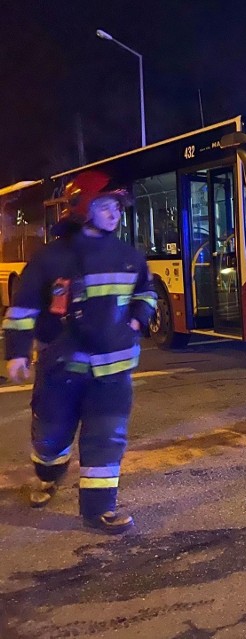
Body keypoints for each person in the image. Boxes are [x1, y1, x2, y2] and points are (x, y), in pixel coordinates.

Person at [3, 170, 156, 534]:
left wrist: (136, 320)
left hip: (113, 371)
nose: (115, 213)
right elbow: (23, 308)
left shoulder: (129, 256)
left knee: (107, 437)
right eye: (106, 205)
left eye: (118, 206)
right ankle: (48, 473)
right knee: (51, 436)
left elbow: (146, 294)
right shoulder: (50, 259)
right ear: (83, 208)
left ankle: (99, 510)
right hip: (62, 369)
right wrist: (17, 352)